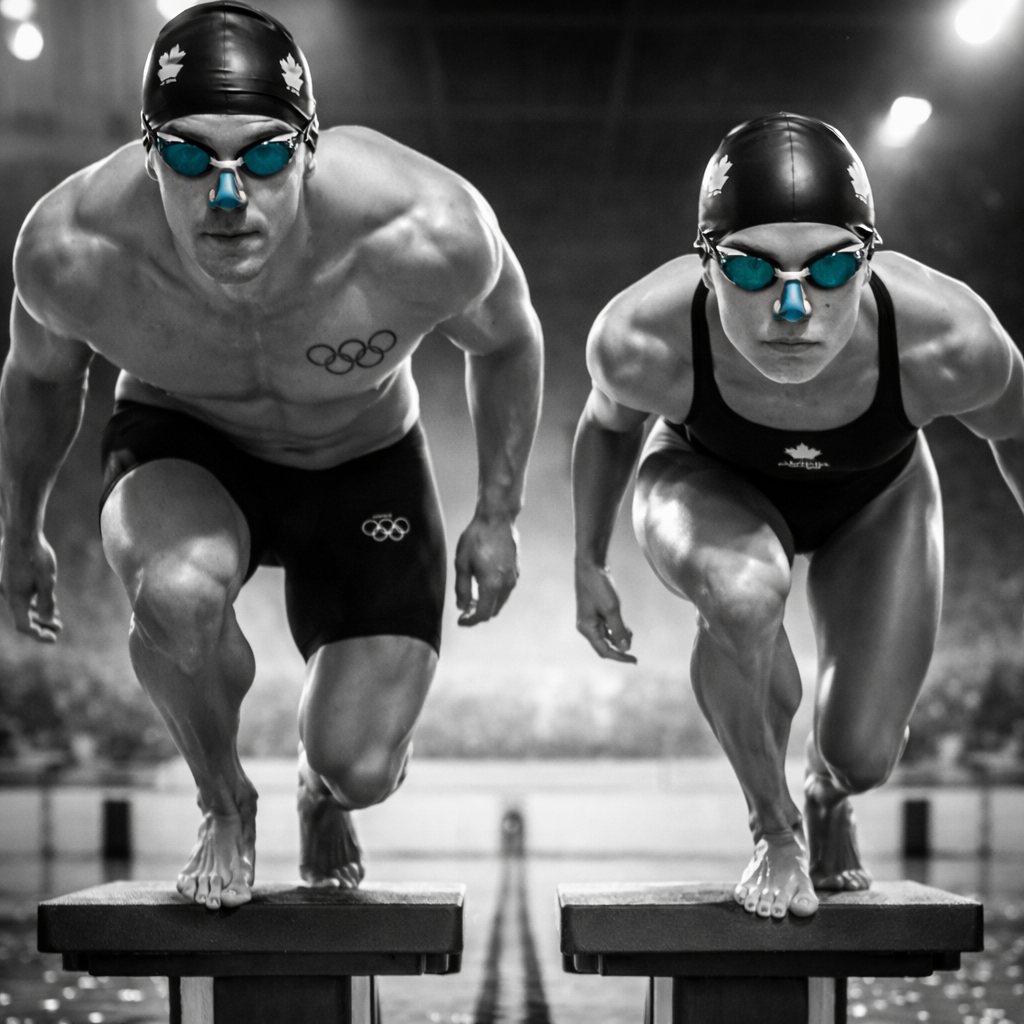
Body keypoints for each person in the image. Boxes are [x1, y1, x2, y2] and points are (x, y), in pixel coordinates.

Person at [0, 1, 542, 910]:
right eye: (187, 157)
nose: (226, 197)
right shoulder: (75, 249)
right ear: (147, 152)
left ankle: (320, 791)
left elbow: (507, 340)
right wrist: (19, 532)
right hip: (185, 442)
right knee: (175, 595)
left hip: (362, 456)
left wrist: (499, 513)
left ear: (309, 148)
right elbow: (42, 377)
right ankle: (224, 801)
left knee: (363, 766)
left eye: (260, 155)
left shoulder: (420, 228)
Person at [572, 112, 1024, 918]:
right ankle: (774, 831)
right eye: (752, 273)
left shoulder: (950, 341)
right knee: (746, 592)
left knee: (864, 755)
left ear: (868, 258)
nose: (792, 307)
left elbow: (1017, 428)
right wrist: (588, 562)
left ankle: (826, 793)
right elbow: (607, 426)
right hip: (703, 475)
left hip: (877, 495)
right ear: (705, 268)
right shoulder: (643, 336)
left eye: (829, 269)